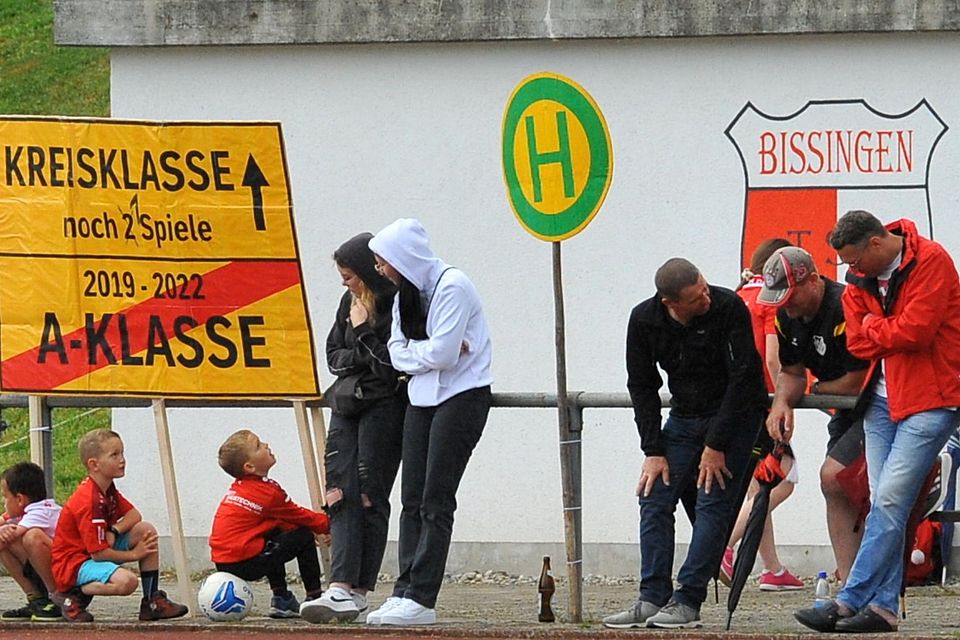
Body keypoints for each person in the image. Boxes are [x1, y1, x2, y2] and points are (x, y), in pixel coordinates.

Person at [795, 210, 960, 633]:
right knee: (886, 504)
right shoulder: (859, 282)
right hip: (882, 405)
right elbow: (857, 341)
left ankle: (849, 598)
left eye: (854, 261)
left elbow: (917, 332)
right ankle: (884, 608)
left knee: (887, 501)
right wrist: (882, 329)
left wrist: (876, 327)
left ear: (875, 243)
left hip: (932, 401)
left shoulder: (932, 260)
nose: (850, 271)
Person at [603, 257, 766, 629]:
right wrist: (653, 450)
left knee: (713, 501)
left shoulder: (728, 307)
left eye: (705, 288)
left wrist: (716, 445)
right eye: (696, 298)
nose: (706, 298)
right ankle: (652, 596)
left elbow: (743, 378)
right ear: (670, 303)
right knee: (654, 497)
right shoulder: (644, 320)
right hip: (683, 416)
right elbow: (642, 385)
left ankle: (688, 600)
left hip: (736, 416)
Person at [365, 218, 492, 626]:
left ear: (403, 258)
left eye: (383, 262)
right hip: (421, 398)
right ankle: (403, 590)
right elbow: (398, 349)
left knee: (437, 499)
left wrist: (433, 353)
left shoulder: (453, 286)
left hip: (461, 396)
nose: (380, 270)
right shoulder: (406, 295)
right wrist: (436, 351)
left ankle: (422, 597)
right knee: (412, 498)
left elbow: (441, 356)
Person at [309, 232, 406, 623]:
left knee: (370, 494)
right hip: (347, 404)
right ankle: (339, 585)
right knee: (339, 492)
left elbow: (390, 365)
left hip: (384, 408)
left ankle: (360, 588)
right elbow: (334, 356)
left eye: (349, 276)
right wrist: (362, 353)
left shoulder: (397, 304)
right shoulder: (346, 304)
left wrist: (364, 332)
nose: (345, 283)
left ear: (367, 272)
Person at [758, 246, 869, 585]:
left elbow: (857, 381)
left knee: (835, 476)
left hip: (880, 407)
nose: (786, 305)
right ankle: (850, 584)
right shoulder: (784, 314)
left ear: (815, 280)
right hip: (845, 412)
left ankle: (870, 580)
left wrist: (817, 391)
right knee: (834, 486)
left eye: (791, 295)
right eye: (780, 298)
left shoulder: (844, 307)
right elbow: (791, 373)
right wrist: (781, 404)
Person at [721, 238, 803, 591]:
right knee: (783, 480)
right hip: (765, 402)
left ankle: (772, 568)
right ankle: (723, 545)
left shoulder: (738, 295)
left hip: (736, 403)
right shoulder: (772, 301)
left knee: (760, 485)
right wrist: (781, 401)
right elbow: (774, 358)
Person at [51, 429, 188, 623]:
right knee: (127, 582)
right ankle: (70, 594)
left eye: (122, 453)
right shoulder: (89, 500)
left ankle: (151, 600)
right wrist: (134, 555)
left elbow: (134, 515)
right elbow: (99, 554)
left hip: (93, 552)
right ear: (94, 464)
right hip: (74, 564)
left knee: (145, 530)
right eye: (114, 455)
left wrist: (114, 530)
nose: (122, 460)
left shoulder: (107, 488)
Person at [209, 429, 330, 621]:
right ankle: (315, 597)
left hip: (224, 560)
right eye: (258, 446)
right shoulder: (268, 493)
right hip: (243, 562)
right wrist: (330, 525)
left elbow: (281, 519)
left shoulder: (242, 487)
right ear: (249, 467)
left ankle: (282, 598)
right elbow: (300, 516)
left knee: (274, 533)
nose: (265, 445)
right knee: (304, 535)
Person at [0, 462, 62, 621]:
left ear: (20, 499)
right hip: (48, 568)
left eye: (5, 496)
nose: (3, 501)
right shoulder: (26, 510)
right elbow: (3, 521)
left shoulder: (42, 511)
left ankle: (56, 599)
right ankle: (37, 600)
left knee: (29, 537)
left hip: (64, 573)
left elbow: (12, 535)